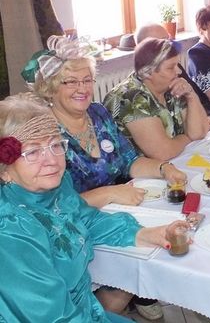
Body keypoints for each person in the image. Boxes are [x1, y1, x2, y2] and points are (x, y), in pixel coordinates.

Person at [28, 35, 187, 320]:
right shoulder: (44, 134)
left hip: (117, 211)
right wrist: (109, 193)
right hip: (73, 228)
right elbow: (50, 206)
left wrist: (164, 168)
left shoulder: (98, 113)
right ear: (51, 88)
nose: (82, 88)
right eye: (71, 82)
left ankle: (127, 298)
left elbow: (130, 160)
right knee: (136, 263)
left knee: (164, 237)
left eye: (87, 80)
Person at [0, 94, 189, 322]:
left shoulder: (55, 187)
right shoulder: (11, 229)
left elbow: (86, 219)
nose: (51, 160)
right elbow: (50, 316)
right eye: (32, 152)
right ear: (4, 170)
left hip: (85, 311)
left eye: (55, 145)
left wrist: (145, 234)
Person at [104, 38, 210, 161]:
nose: (179, 71)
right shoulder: (130, 98)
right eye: (171, 67)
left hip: (175, 160)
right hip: (139, 171)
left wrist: (191, 95)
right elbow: (163, 152)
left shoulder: (171, 86)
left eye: (177, 65)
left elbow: (199, 132)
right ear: (148, 72)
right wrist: (188, 137)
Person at [134, 22, 210, 127]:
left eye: (169, 40)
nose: (170, 45)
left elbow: (197, 97)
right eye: (162, 42)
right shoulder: (135, 95)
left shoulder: (175, 68)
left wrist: (207, 116)